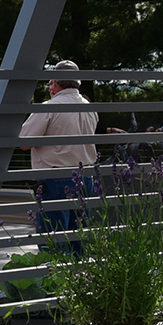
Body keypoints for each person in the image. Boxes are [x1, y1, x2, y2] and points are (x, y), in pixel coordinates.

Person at [20, 62, 98, 234]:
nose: (50, 88)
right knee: (79, 236)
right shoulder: (90, 108)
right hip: (86, 177)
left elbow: (24, 142)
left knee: (54, 239)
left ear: (55, 83)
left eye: (50, 83)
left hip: (56, 178)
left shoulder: (48, 108)